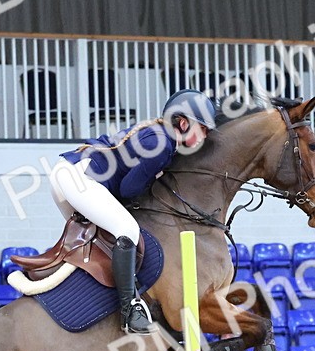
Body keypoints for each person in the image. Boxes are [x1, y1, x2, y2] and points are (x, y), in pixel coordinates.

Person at [51, 89, 218, 334]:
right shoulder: (162, 144)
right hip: (79, 178)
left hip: (68, 174)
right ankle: (130, 311)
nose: (205, 135)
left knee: (103, 239)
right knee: (127, 230)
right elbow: (129, 189)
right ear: (183, 123)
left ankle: (96, 299)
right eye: (202, 128)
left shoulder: (158, 133)